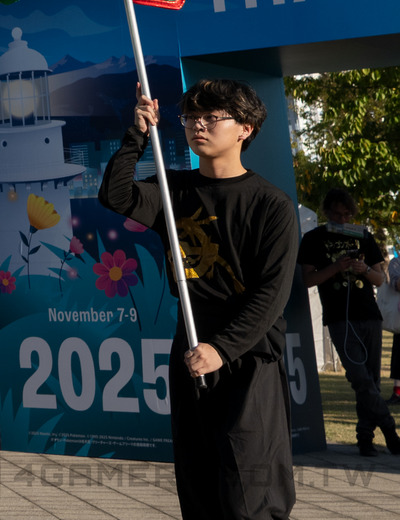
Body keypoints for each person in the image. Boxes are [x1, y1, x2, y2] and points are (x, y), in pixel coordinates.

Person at [102, 79, 298, 520]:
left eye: (212, 117)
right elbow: (115, 196)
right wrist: (136, 134)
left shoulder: (271, 204)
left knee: (250, 488)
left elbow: (272, 294)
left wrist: (222, 349)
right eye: (191, 117)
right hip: (191, 346)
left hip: (247, 357)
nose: (199, 126)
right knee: (199, 481)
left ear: (245, 128)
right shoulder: (174, 192)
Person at [298, 187, 398, 456]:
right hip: (340, 317)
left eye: (346, 214)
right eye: (336, 214)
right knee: (360, 378)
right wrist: (336, 268)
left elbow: (380, 278)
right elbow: (307, 280)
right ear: (326, 212)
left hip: (369, 314)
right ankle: (389, 429)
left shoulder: (362, 236)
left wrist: (363, 269)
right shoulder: (314, 238)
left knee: (372, 381)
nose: (342, 219)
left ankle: (365, 437)